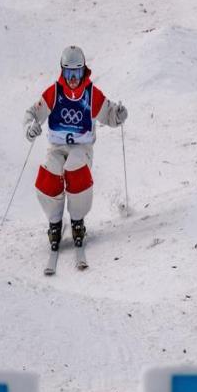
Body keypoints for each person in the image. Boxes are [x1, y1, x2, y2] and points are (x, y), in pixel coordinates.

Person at [23, 45, 128, 252]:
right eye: (69, 73)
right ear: (62, 71)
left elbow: (109, 114)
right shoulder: (54, 93)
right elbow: (32, 113)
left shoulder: (91, 94)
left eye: (77, 73)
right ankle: (54, 222)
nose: (72, 79)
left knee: (75, 169)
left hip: (81, 147)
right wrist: (30, 127)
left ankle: (77, 220)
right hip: (56, 148)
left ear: (83, 71)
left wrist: (118, 115)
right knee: (49, 174)